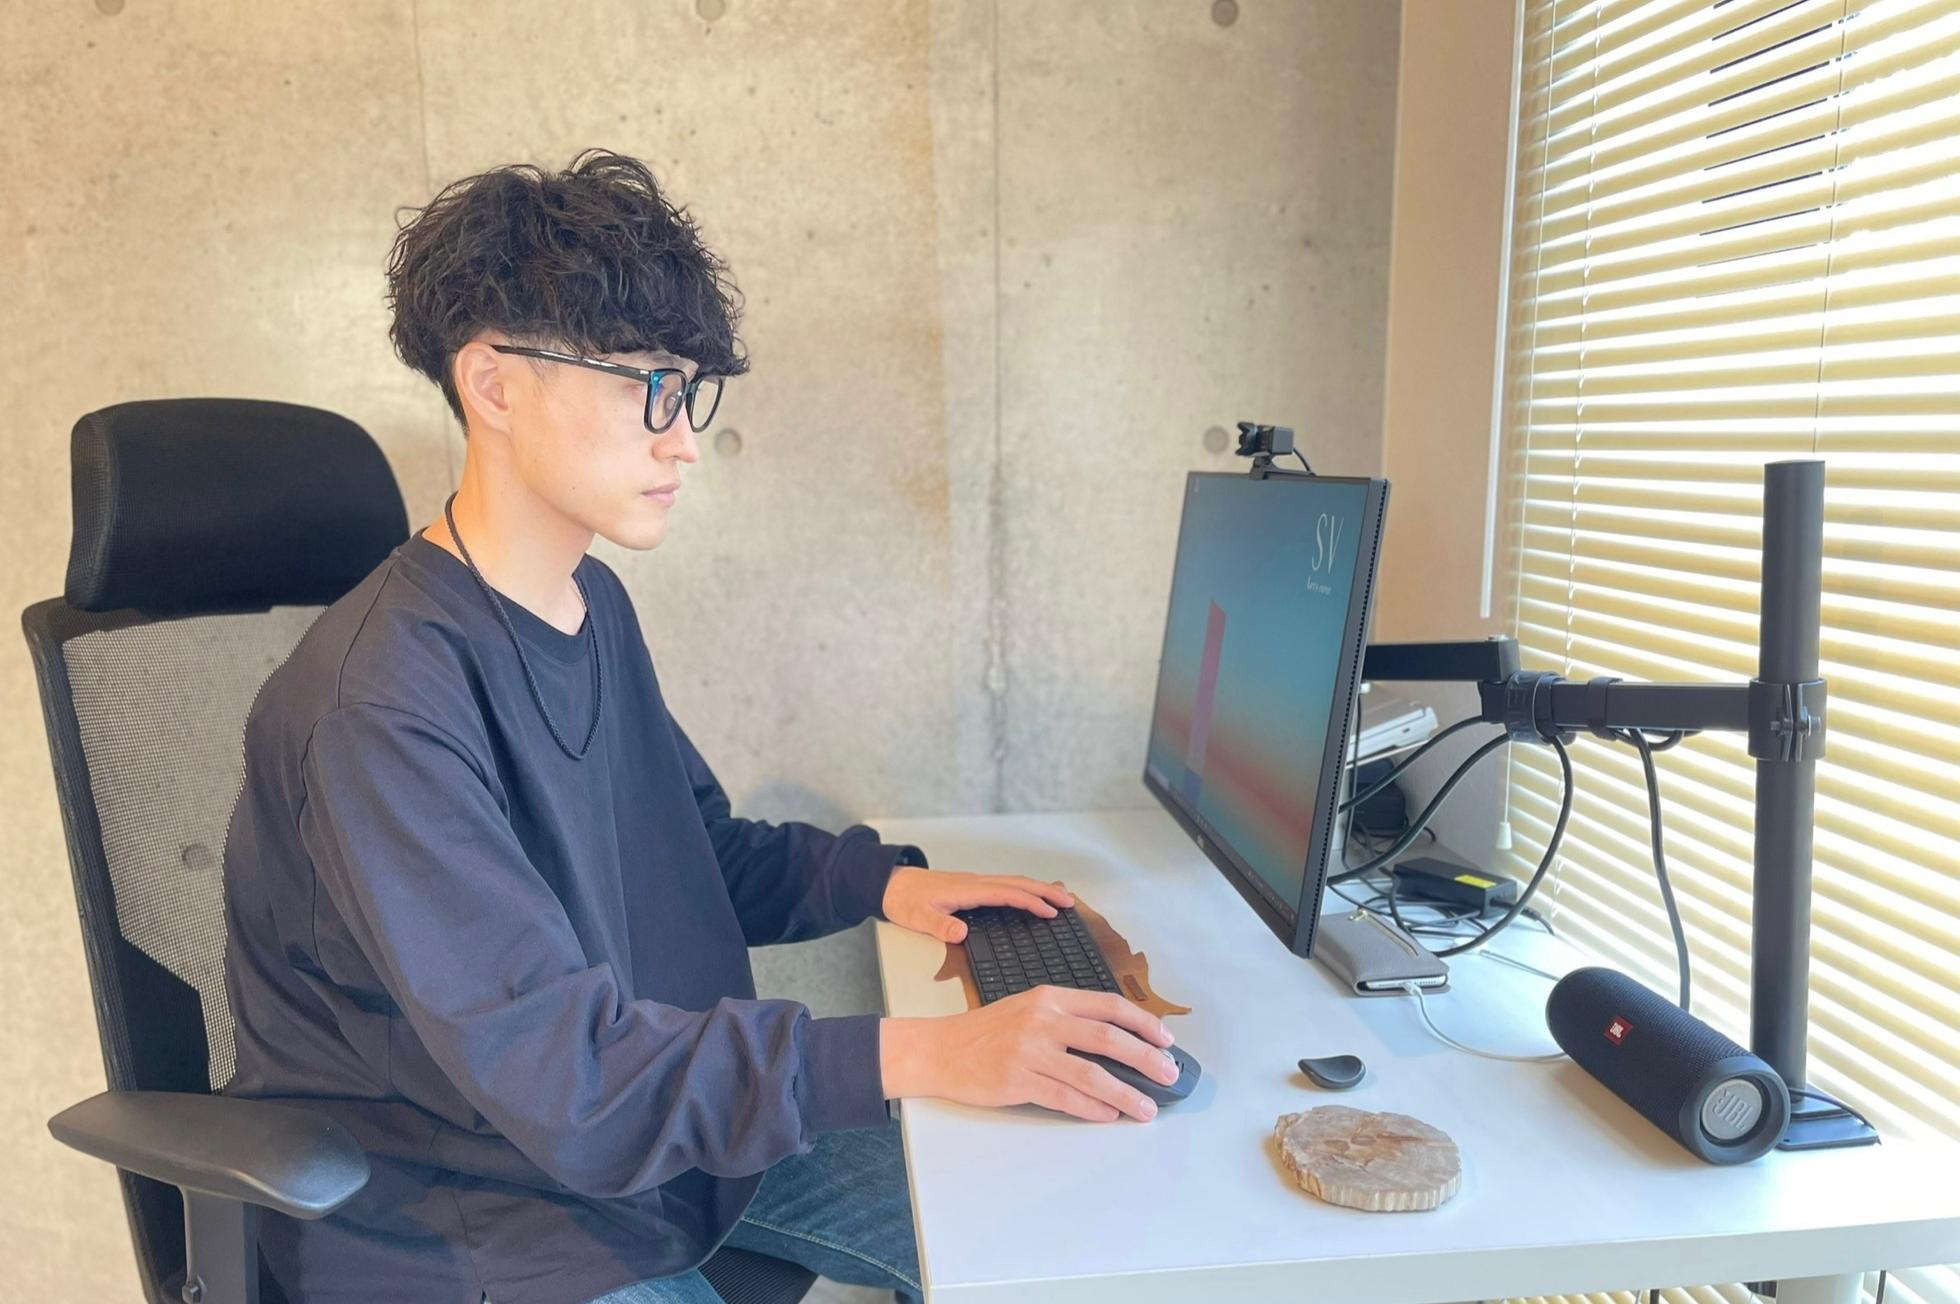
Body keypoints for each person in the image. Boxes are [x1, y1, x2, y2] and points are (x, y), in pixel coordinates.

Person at [218, 148, 1181, 1304]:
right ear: (494, 385)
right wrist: (928, 1048)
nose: (682, 440)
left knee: (1067, 1218)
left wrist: (883, 883)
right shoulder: (377, 709)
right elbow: (564, 1075)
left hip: (651, 1154)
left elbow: (687, 855)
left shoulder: (586, 601)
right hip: (480, 1222)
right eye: (649, 387)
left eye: (689, 391)